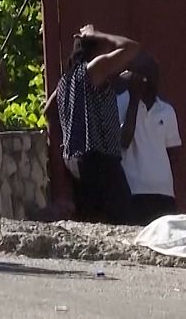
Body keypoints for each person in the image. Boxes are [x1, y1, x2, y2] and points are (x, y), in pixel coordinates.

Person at [55, 24, 140, 224]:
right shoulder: (93, 69)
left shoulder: (66, 81)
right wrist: (100, 34)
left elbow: (49, 109)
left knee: (93, 221)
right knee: (122, 221)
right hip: (100, 161)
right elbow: (132, 48)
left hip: (77, 163)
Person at [117, 54, 182, 224]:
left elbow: (174, 153)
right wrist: (134, 99)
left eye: (154, 75)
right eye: (145, 76)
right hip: (134, 191)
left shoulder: (166, 111)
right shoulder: (120, 104)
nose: (151, 81)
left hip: (163, 192)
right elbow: (123, 141)